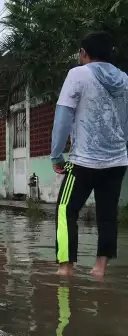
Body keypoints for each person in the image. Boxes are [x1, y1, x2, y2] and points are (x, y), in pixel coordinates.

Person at [50, 31, 128, 278]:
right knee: (107, 215)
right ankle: (99, 270)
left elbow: (63, 117)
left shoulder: (78, 74)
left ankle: (65, 269)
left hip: (83, 161)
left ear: (84, 53)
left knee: (65, 210)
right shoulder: (124, 79)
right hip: (117, 161)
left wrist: (56, 155)